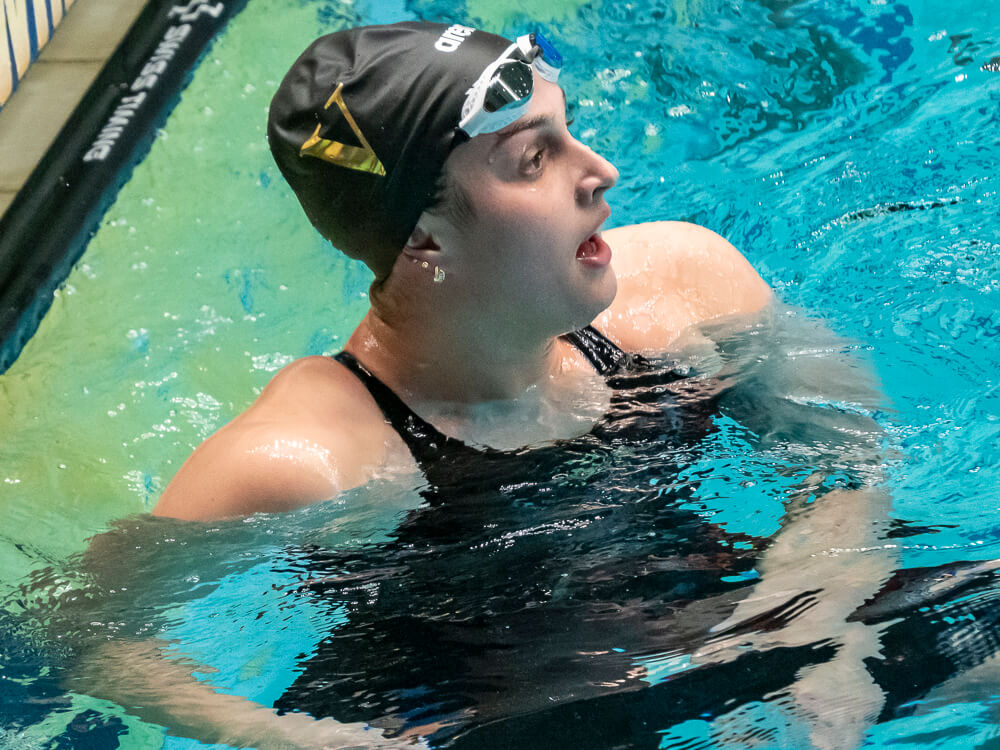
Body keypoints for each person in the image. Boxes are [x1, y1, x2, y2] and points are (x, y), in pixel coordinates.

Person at [152, 21, 772, 523]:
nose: (602, 172)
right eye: (535, 158)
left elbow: (830, 484)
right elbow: (107, 628)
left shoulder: (689, 284)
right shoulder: (305, 463)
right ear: (425, 238)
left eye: (569, 129)